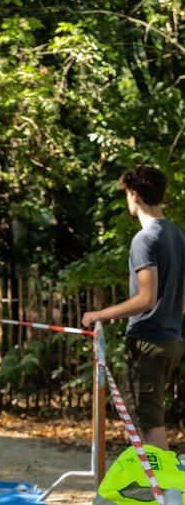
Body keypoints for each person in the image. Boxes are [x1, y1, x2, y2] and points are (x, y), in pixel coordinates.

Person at [82, 165, 185, 450]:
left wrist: (97, 315)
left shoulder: (145, 239)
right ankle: (159, 485)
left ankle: (163, 491)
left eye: (127, 194)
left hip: (148, 341)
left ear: (135, 195)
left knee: (148, 422)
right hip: (172, 339)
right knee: (149, 417)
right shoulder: (177, 235)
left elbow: (145, 299)